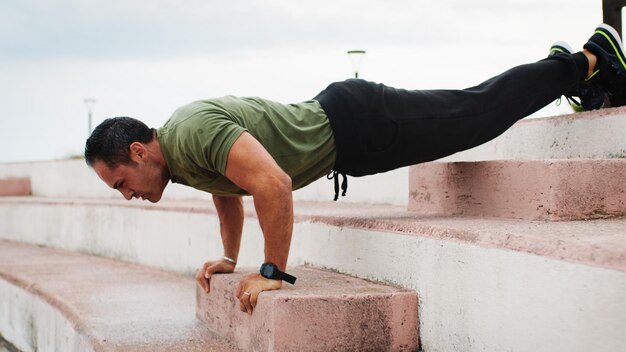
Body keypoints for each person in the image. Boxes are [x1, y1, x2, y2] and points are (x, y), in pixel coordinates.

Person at [84, 24, 625, 315]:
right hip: (354, 139)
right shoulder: (180, 156)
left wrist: (272, 273)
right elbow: (229, 188)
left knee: (477, 113)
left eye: (120, 184)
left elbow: (271, 184)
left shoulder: (192, 128)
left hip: (360, 120)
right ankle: (567, 71)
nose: (125, 194)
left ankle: (586, 59)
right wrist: (230, 257)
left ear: (137, 152)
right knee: (473, 112)